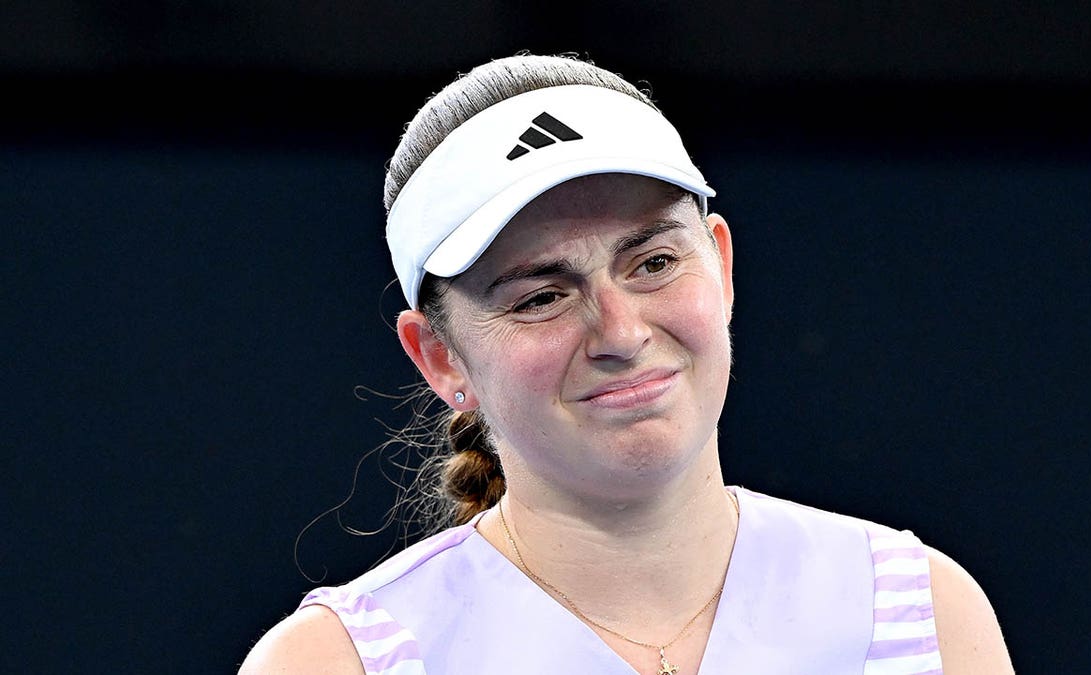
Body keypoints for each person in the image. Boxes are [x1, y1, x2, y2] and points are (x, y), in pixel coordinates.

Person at [240, 54, 1013, 675]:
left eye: (652, 261)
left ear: (721, 264)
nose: (619, 329)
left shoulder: (924, 608)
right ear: (441, 357)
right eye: (541, 295)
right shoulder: (330, 664)